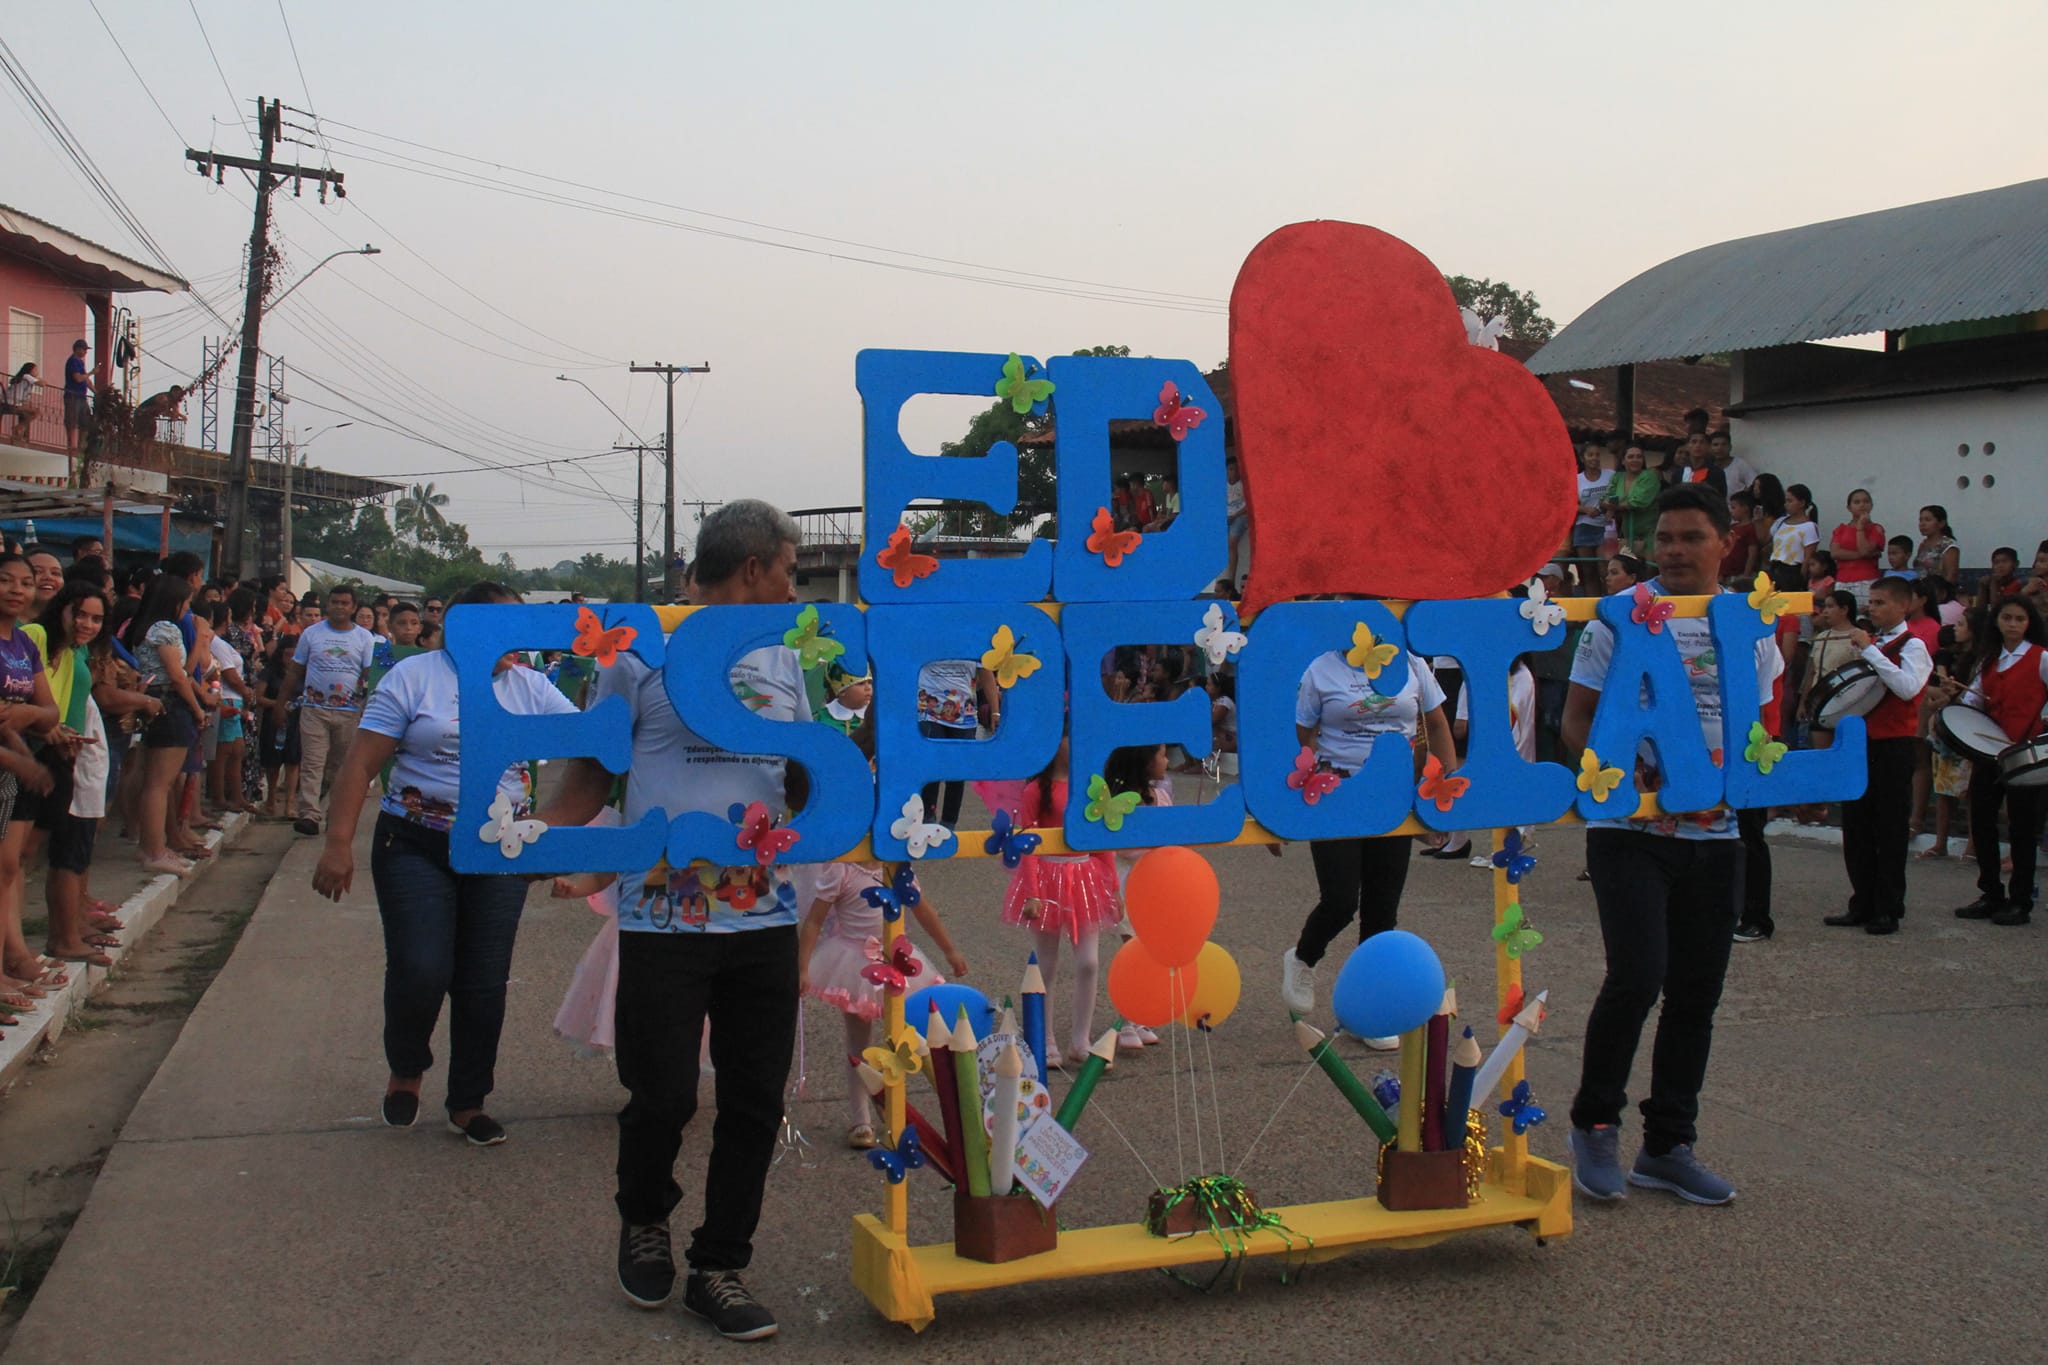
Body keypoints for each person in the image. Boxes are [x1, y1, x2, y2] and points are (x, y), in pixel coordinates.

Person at [536, 500, 807, 1341]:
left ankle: (720, 1265)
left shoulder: (786, 658)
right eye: (791, 571)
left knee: (756, 1099)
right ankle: (644, 1215)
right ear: (755, 568)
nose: (796, 586)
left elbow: (802, 778)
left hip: (764, 914)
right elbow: (589, 771)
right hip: (662, 917)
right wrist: (532, 844)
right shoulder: (639, 655)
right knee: (661, 1095)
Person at [1562, 484, 1782, 1206]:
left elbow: (1758, 726)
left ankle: (1667, 1145)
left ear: (1728, 544)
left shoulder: (1749, 625)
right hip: (1632, 834)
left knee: (1697, 993)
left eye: (1692, 537)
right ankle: (1595, 1123)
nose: (1675, 551)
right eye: (1665, 539)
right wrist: (1627, 780)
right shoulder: (1620, 622)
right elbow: (1576, 722)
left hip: (1716, 836)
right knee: (1638, 977)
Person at [313, 580, 579, 1149]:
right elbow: (359, 767)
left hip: (497, 852)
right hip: (415, 843)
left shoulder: (532, 687)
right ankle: (407, 1069)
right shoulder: (414, 677)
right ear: (463, 627)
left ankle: (468, 1102)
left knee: (483, 983)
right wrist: (337, 844)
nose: (515, 640)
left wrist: (555, 836)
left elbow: (594, 752)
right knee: (421, 968)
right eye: (499, 626)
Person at [1279, 629, 1456, 1044]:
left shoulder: (1412, 663)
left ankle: (1370, 1011)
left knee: (1382, 910)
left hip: (1390, 800)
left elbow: (1436, 724)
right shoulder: (1321, 668)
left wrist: (1445, 792)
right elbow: (1299, 737)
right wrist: (1282, 808)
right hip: (1334, 796)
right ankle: (1304, 957)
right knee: (1341, 900)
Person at [799, 858, 966, 1148]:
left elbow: (923, 910)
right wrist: (802, 967)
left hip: (897, 961)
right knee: (859, 1043)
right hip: (854, 964)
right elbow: (815, 920)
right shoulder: (842, 869)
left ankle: (889, 1104)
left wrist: (950, 950)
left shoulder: (896, 869)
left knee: (900, 1042)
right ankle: (860, 1118)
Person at [982, 739, 1120, 1064]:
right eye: (1068, 738)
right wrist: (1032, 892)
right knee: (1047, 964)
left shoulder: (1090, 786)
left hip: (1085, 876)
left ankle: (1080, 1040)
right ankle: (1044, 1040)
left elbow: (1100, 837)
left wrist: (1113, 886)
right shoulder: (1034, 792)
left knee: (1089, 962)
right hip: (1047, 878)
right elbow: (1026, 840)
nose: (1074, 745)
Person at [1825, 576, 1932, 936]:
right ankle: (1862, 901)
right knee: (1856, 826)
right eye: (1871, 601)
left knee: (1889, 829)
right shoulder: (1875, 641)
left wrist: (1870, 650)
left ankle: (1888, 906)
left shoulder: (1913, 645)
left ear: (1904, 605)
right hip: (1859, 742)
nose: (1873, 608)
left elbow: (1906, 688)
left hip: (1893, 744)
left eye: (1882, 602)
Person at [24, 580, 115, 967]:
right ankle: (47, 943)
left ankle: (59, 938)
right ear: (61, 607)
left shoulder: (75, 649)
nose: (87, 624)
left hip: (63, 755)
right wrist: (50, 730)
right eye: (80, 614)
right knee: (22, 857)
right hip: (34, 752)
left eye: (96, 618)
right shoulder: (37, 636)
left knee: (36, 854)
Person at [1947, 596, 2048, 926]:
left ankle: (2020, 900)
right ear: (1998, 622)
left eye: (2020, 619)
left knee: (2022, 829)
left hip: (2025, 755)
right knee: (1983, 823)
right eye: (2008, 618)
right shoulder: (1989, 660)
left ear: (2029, 622)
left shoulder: (2041, 657)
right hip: (1990, 755)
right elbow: (1973, 701)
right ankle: (1991, 892)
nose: (2014, 624)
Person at [120, 573, 204, 875]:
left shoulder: (140, 627)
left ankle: (153, 844)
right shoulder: (165, 629)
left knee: (152, 780)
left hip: (155, 702)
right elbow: (178, 674)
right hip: (170, 703)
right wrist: (197, 708)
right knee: (159, 784)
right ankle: (153, 849)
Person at [282, 584, 376, 836]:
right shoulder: (311, 634)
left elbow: (369, 674)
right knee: (312, 762)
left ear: (353, 607)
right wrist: (282, 702)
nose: (339, 607)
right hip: (314, 708)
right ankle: (310, 814)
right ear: (328, 605)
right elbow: (295, 670)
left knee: (341, 766)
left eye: (345, 603)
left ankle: (336, 815)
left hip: (349, 710)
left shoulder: (364, 638)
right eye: (335, 602)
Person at [915, 657, 998, 827]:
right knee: (931, 767)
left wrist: (995, 712)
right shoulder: (925, 631)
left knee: (958, 772)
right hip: (929, 713)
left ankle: (949, 824)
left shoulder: (973, 635)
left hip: (964, 717)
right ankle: (926, 820)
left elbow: (986, 672)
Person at [1571, 445, 1614, 595]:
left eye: (1597, 455)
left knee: (1605, 569)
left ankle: (1607, 602)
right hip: (1584, 526)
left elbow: (1617, 496)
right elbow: (1569, 503)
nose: (1594, 458)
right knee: (1588, 572)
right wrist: (1586, 510)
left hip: (1606, 528)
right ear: (1583, 458)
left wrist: (1608, 509)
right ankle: (1592, 606)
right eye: (1590, 455)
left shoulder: (1610, 475)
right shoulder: (1577, 479)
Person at [1830, 489, 1884, 607]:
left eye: (1866, 501)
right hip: (1842, 580)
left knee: (1864, 618)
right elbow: (1835, 553)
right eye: (1857, 502)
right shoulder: (1841, 529)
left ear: (1871, 505)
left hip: (1866, 580)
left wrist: (1860, 527)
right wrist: (1863, 555)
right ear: (1849, 507)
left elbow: (1864, 549)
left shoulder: (1876, 528)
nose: (1862, 505)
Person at [1609, 446, 1661, 559]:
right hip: (1627, 532)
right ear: (1623, 460)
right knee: (1627, 567)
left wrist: (1613, 506)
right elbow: (1609, 496)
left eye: (1639, 457)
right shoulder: (1617, 477)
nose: (1635, 460)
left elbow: (1638, 502)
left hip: (1649, 532)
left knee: (1649, 567)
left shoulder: (1650, 476)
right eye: (1631, 457)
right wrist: (1615, 504)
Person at [1719, 490, 1761, 586]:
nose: (1731, 511)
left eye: (1734, 507)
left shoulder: (1750, 528)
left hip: (1739, 574)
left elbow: (1752, 553)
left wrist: (1746, 574)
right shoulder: (1732, 528)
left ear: (1745, 508)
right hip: (1725, 574)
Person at [1913, 505, 1960, 583]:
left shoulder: (1948, 546)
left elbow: (1951, 576)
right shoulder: (1923, 545)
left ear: (1941, 523)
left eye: (1927, 520)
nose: (1922, 524)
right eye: (1920, 520)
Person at [1223, 454, 1249, 591]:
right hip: (1226, 516)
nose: (1234, 472)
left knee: (1232, 543)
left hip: (1240, 515)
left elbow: (1248, 505)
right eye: (1231, 469)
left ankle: (1230, 579)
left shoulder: (1243, 485)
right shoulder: (1222, 484)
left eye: (1236, 469)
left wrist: (1234, 515)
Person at [61, 341, 90, 456]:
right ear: (78, 349)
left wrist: (96, 392)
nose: (86, 352)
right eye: (84, 349)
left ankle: (81, 446)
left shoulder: (80, 363)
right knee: (72, 421)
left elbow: (86, 380)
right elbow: (78, 378)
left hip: (81, 397)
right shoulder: (73, 361)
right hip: (73, 396)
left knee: (86, 422)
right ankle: (71, 446)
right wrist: (91, 373)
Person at [1708, 429, 1757, 496]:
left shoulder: (1739, 464)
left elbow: (1753, 484)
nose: (1720, 448)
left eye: (1724, 444)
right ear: (1709, 448)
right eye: (1715, 445)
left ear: (1730, 447)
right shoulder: (1707, 466)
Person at [1976, 547, 2022, 612]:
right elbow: (1979, 612)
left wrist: (1993, 583)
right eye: (1996, 562)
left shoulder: (2017, 584)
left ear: (2016, 564)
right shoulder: (1989, 582)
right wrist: (1982, 587)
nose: (2000, 566)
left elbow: (1997, 610)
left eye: (2005, 561)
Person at [2, 363, 36, 442]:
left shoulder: (21, 378)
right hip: (13, 404)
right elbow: (43, 383)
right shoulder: (27, 377)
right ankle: (18, 428)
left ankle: (19, 435)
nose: (37, 372)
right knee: (36, 412)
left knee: (26, 413)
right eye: (35, 370)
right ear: (30, 371)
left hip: (8, 402)